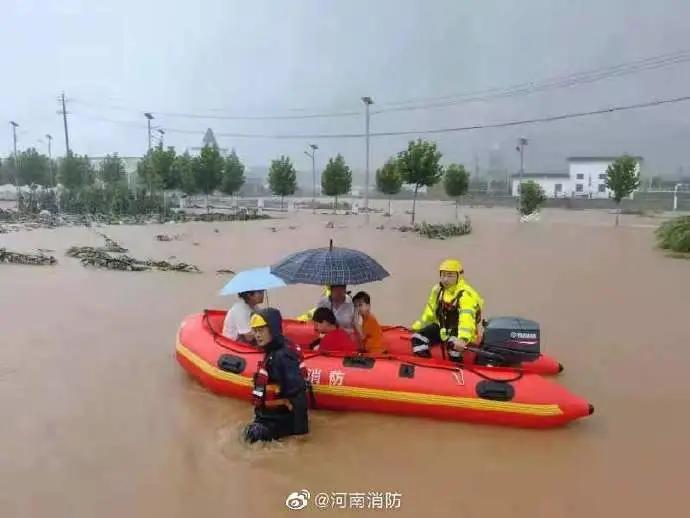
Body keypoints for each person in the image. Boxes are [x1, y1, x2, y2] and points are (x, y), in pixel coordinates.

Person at [244, 308, 309, 443]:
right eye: (255, 331)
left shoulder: (282, 356)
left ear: (272, 329)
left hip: (278, 422)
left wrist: (300, 435)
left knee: (250, 436)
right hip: (268, 417)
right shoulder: (273, 350)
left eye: (261, 330)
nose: (257, 335)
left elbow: (298, 396)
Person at [410, 259, 484, 362]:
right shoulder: (438, 290)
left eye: (450, 276)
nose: (445, 279)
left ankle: (458, 368)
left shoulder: (465, 294)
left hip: (459, 330)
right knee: (417, 338)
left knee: (453, 348)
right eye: (443, 275)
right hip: (442, 326)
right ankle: (427, 365)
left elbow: (466, 318)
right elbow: (430, 311)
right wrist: (417, 326)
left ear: (459, 276)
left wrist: (463, 339)